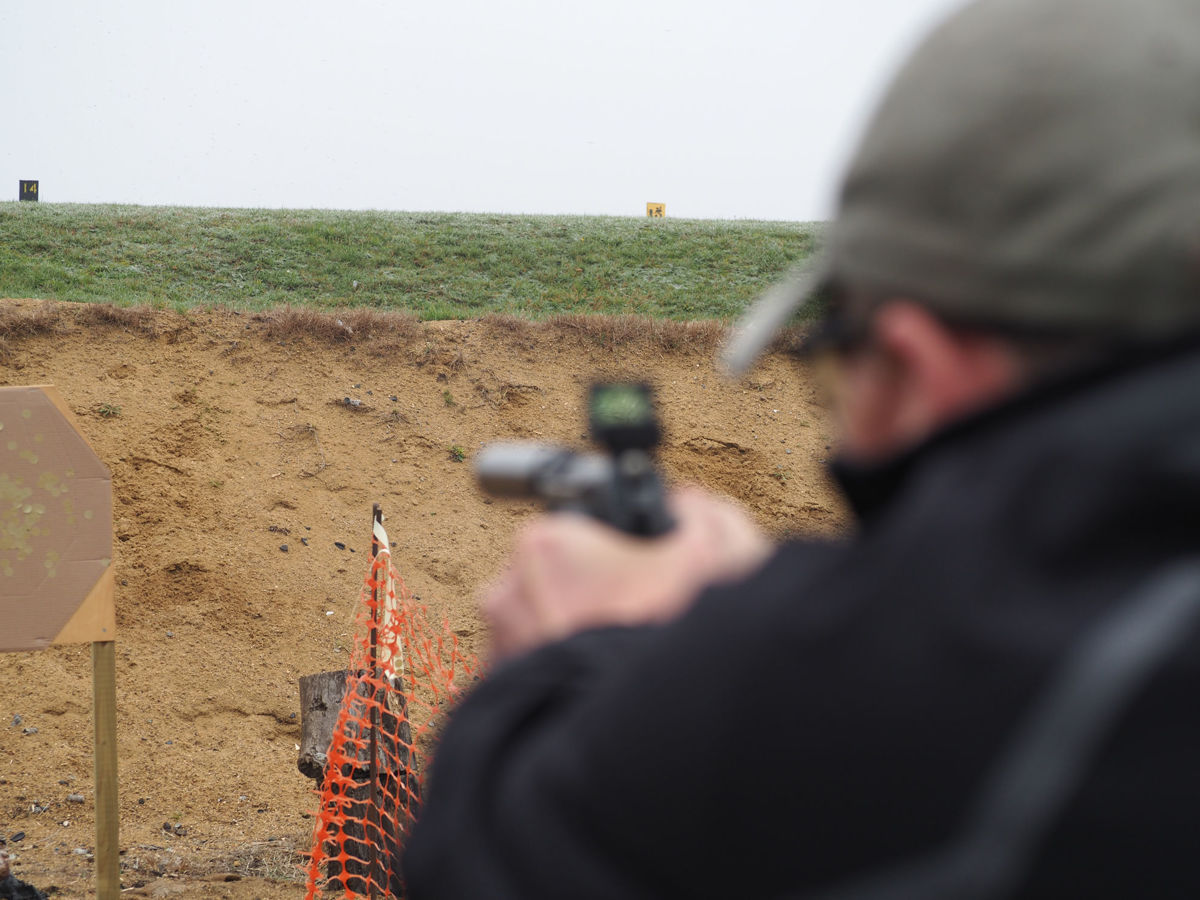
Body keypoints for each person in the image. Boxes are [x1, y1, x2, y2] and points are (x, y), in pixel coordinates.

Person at [403, 0, 1200, 896]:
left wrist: (603, 657)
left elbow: (498, 862)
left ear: (910, 366)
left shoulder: (904, 683)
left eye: (838, 369)